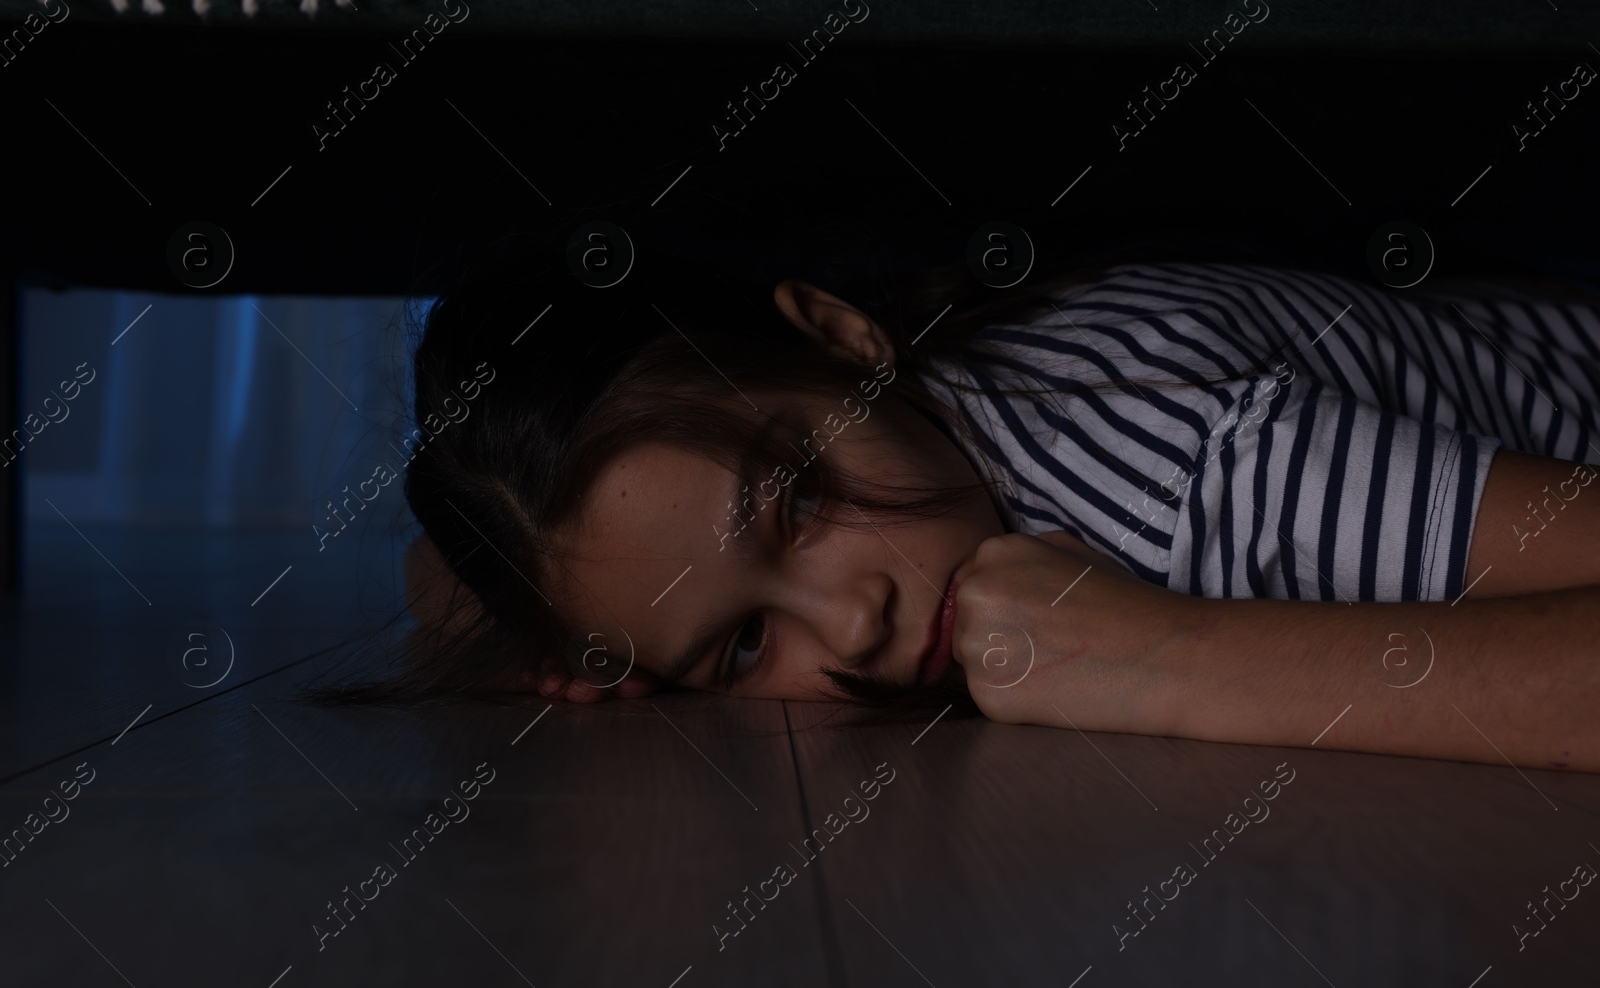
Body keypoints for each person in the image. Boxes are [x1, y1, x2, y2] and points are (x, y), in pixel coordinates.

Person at [387, 243, 1600, 770]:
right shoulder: (947, 407)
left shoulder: (1188, 468)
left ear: (844, 339)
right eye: (746, 642)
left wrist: (1168, 660)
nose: (851, 622)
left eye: (800, 501)